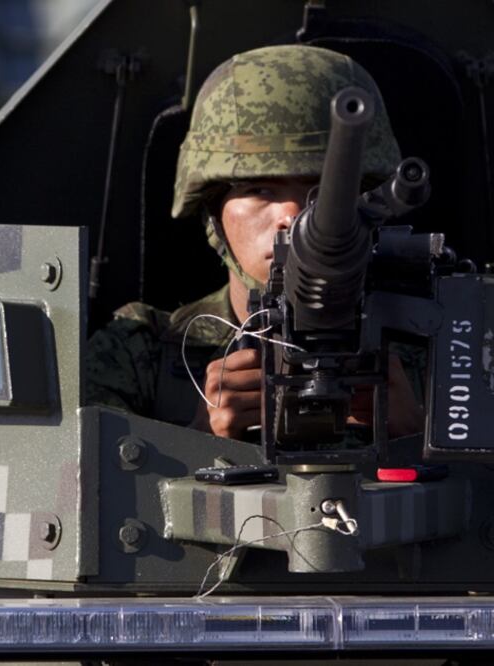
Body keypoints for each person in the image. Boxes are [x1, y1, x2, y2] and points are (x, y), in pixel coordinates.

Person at [85, 44, 422, 439]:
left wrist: (420, 441)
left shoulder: (445, 354)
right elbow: (84, 489)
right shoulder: (140, 355)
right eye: (260, 189)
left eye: (322, 193)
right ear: (212, 212)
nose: (292, 217)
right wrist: (198, 442)